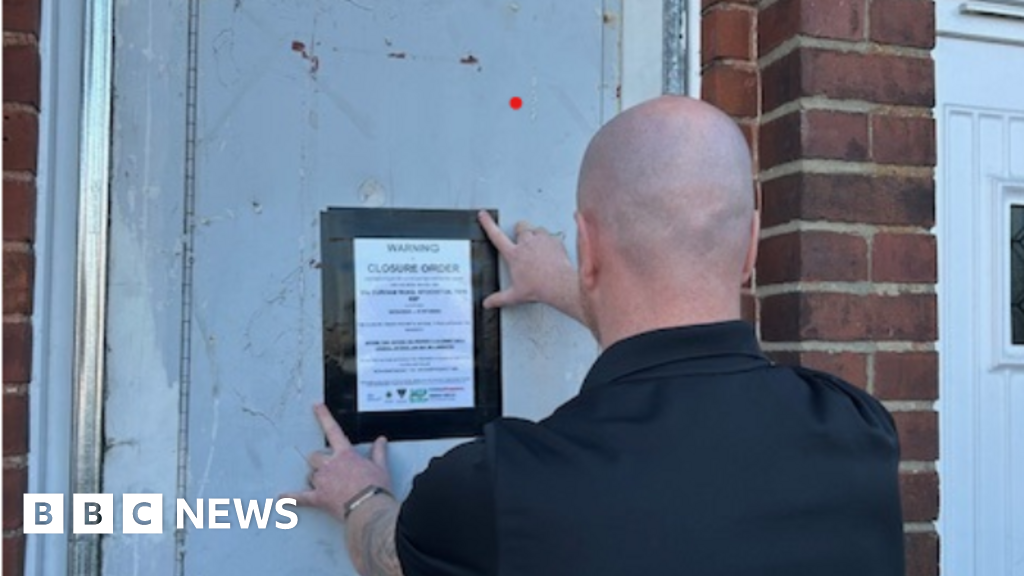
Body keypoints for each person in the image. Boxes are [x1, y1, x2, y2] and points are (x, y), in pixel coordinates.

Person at [284, 96, 905, 576]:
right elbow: (682, 360)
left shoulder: (498, 489)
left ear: (587, 244)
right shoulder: (858, 429)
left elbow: (384, 554)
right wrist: (573, 285)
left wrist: (359, 496)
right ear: (750, 245)